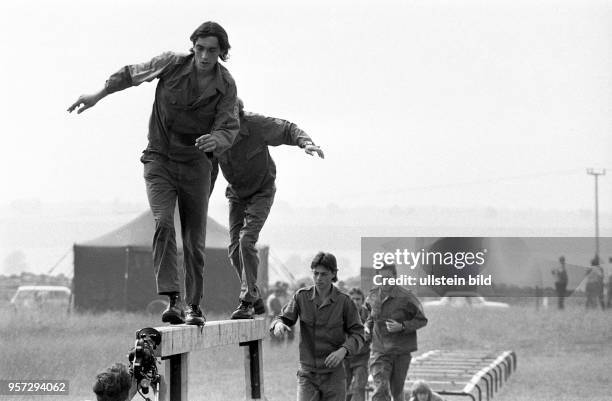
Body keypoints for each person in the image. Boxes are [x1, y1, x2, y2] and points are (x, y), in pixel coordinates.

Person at [68, 22, 240, 325]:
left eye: (211, 51)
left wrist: (217, 139)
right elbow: (132, 74)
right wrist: (97, 95)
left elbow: (229, 126)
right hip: (159, 160)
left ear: (221, 53)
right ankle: (173, 299)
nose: (203, 56)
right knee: (163, 223)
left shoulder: (226, 85)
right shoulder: (172, 63)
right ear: (193, 47)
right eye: (199, 49)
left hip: (197, 164)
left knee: (193, 239)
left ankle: (193, 306)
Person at [210, 98, 324, 319]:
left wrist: (306, 143)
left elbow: (287, 129)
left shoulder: (255, 124)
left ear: (239, 115)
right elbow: (205, 165)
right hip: (237, 194)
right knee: (234, 251)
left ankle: (246, 301)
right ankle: (255, 295)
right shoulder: (213, 133)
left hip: (261, 191)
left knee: (246, 240)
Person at [270, 252, 365, 401]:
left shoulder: (345, 302)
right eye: (316, 274)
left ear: (333, 274)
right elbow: (282, 318)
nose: (319, 278)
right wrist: (278, 325)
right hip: (307, 374)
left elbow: (359, 334)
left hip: (334, 375)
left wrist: (343, 350)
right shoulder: (301, 297)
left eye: (324, 274)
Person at [365, 263, 428, 401]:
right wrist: (366, 327)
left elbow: (422, 320)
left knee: (397, 392)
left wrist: (403, 326)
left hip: (401, 353)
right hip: (379, 352)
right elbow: (369, 317)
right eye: (381, 278)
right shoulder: (372, 296)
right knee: (381, 388)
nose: (385, 282)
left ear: (395, 277)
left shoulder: (407, 297)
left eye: (388, 278)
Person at [344, 288, 371, 401]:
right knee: (342, 388)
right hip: (345, 357)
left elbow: (373, 336)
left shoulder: (369, 316)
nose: (355, 301)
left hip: (362, 358)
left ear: (362, 300)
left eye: (358, 299)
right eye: (353, 299)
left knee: (359, 387)